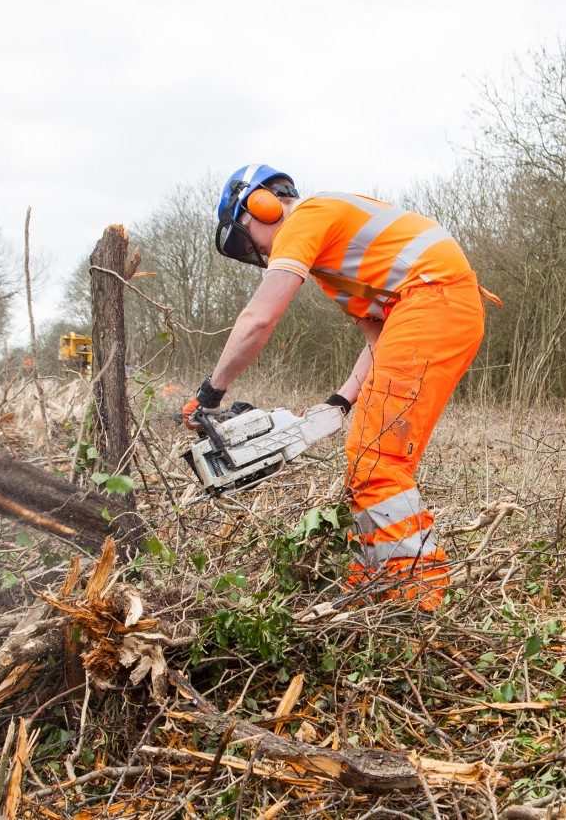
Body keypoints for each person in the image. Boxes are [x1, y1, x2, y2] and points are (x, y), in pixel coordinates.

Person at [181, 164, 491, 611]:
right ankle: (376, 584)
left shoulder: (307, 216)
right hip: (434, 307)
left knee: (377, 461)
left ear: (261, 205)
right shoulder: (337, 265)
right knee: (366, 460)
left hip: (434, 301)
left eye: (247, 239)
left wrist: (211, 392)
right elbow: (379, 340)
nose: (257, 252)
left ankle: (417, 599)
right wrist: (340, 401)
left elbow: (259, 319)